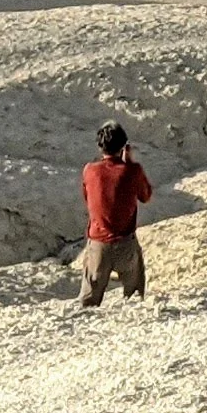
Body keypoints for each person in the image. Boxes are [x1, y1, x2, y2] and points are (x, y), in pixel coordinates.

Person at [78, 121, 152, 306]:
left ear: (100, 146)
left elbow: (87, 197)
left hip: (98, 244)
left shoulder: (89, 170)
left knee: (88, 302)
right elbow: (146, 196)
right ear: (124, 147)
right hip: (125, 243)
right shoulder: (133, 171)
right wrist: (129, 164)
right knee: (135, 296)